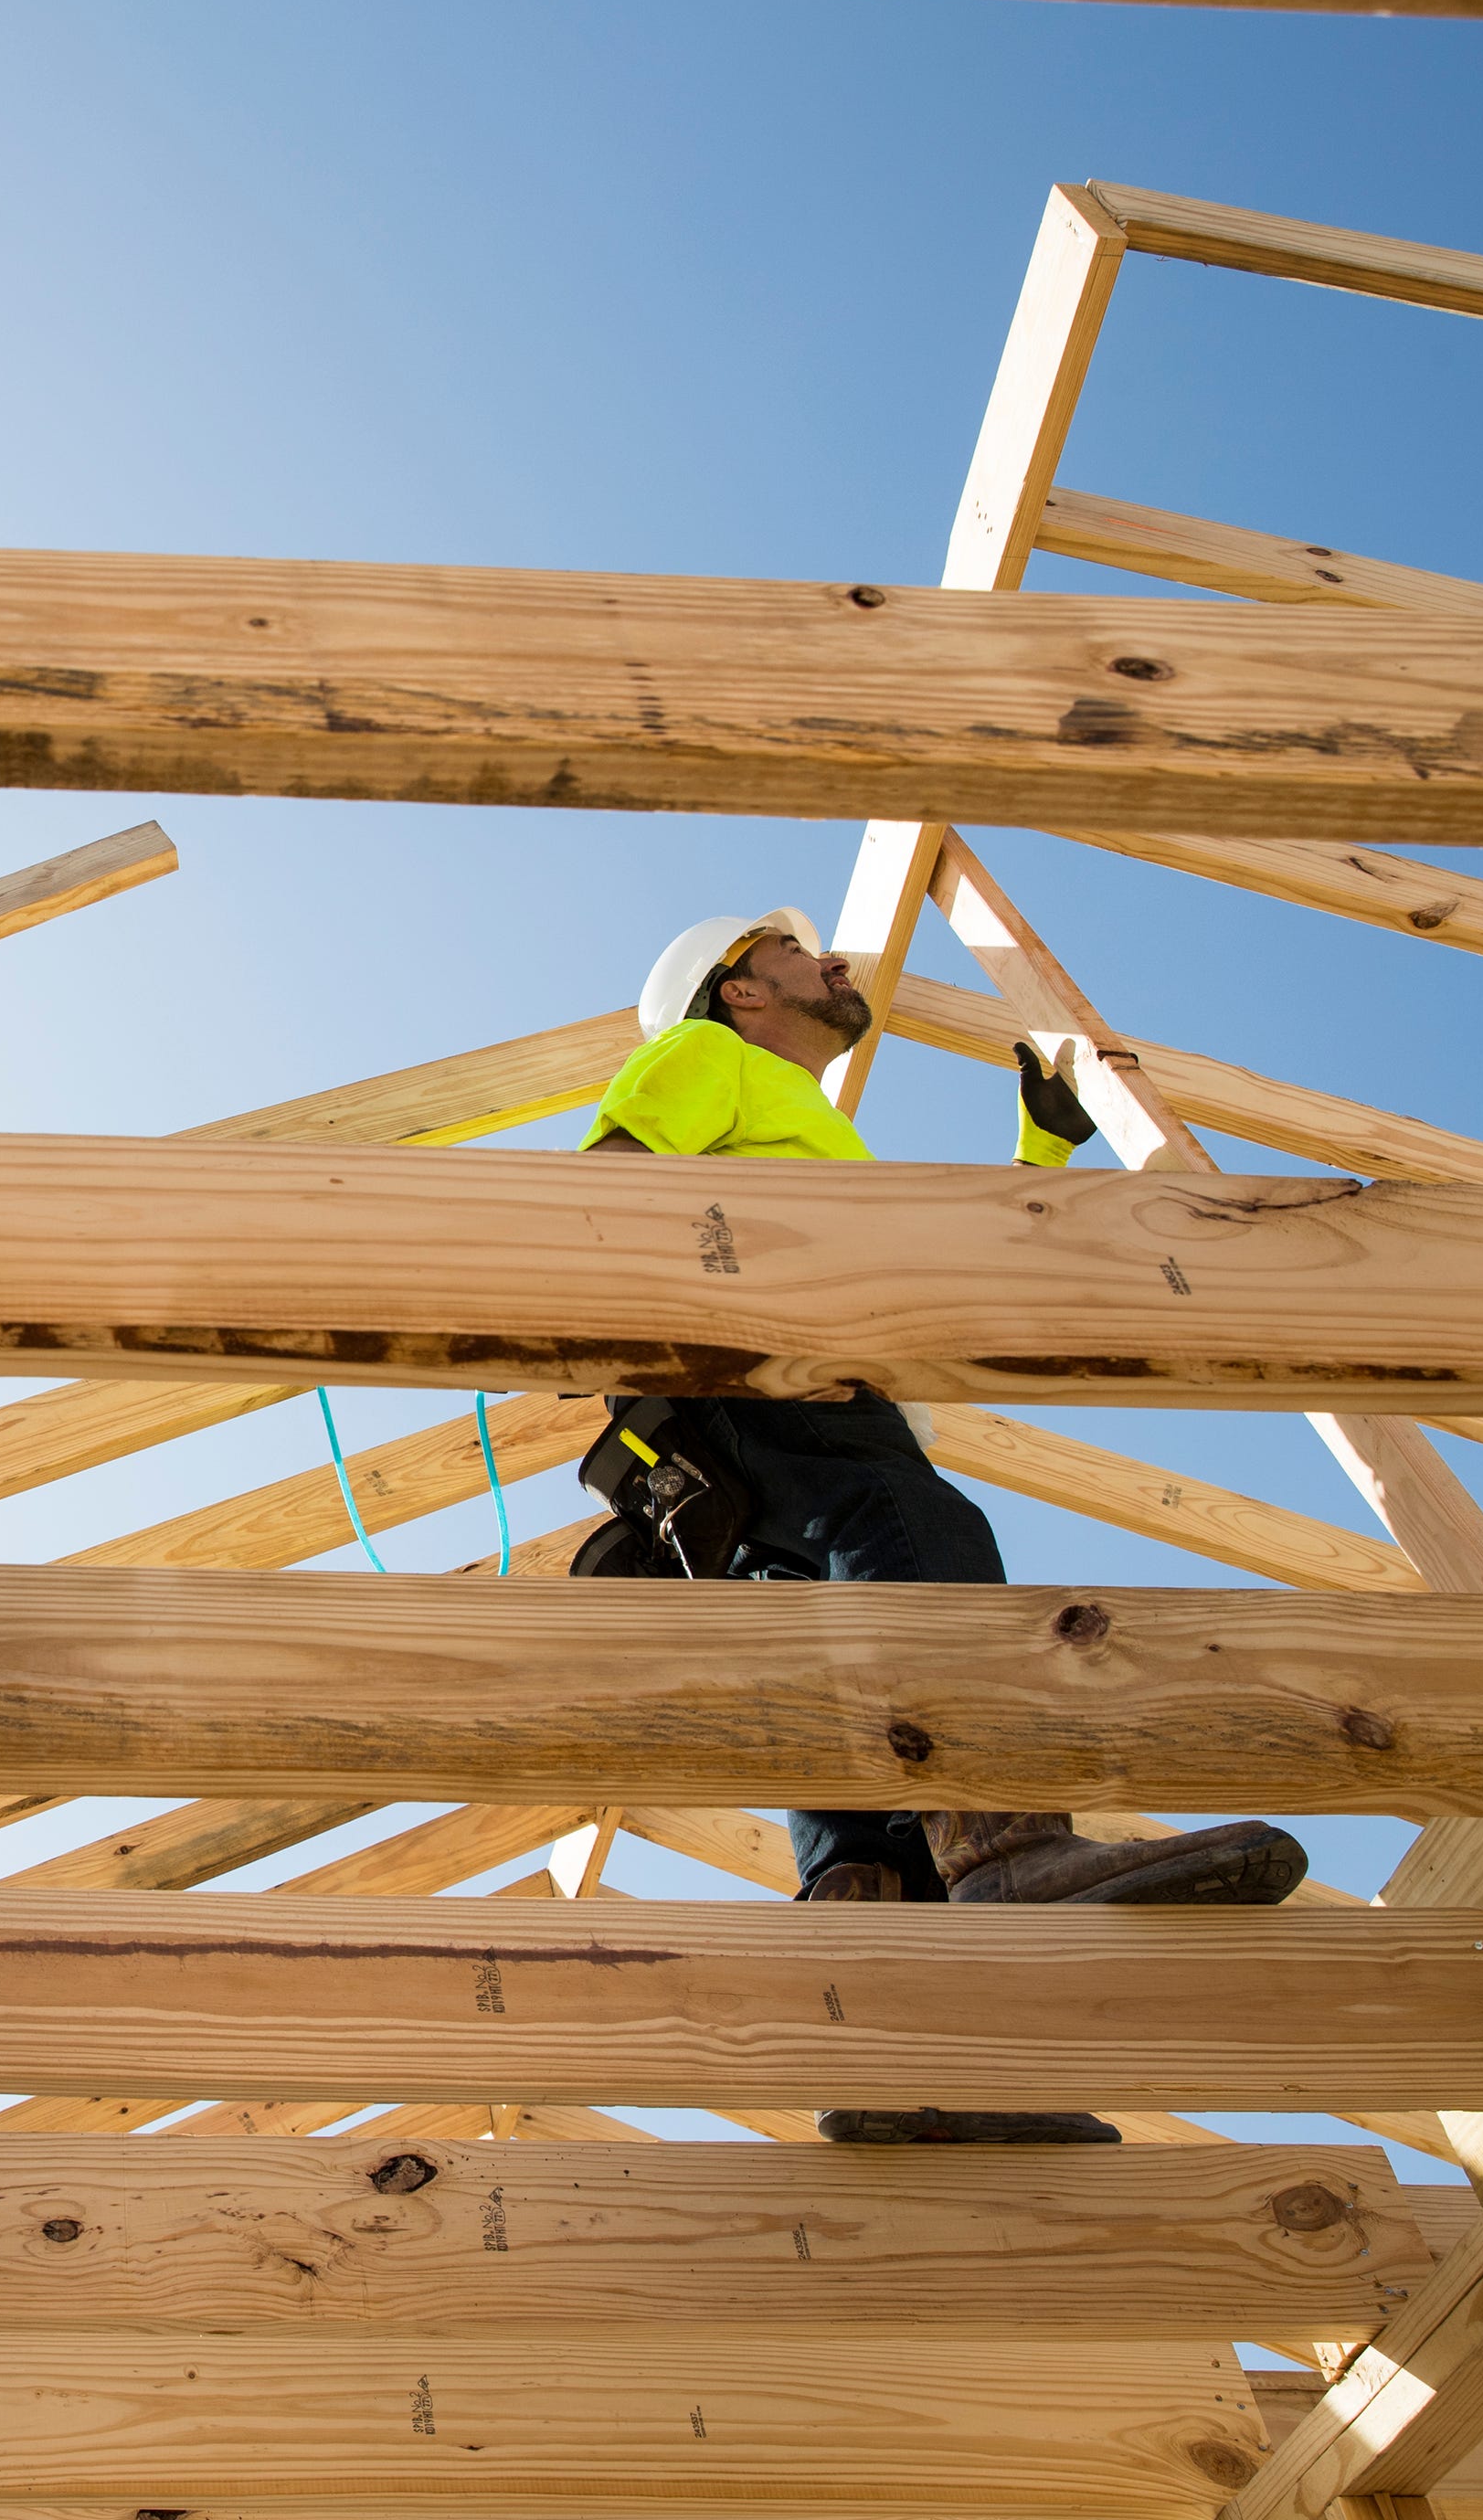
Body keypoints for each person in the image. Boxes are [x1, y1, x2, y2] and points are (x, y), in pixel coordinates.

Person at [580, 906, 1308, 2146]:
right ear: (740, 994)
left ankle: (896, 2044)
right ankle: (1009, 1851)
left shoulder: (800, 1123)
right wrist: (724, 1344)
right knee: (914, 1533)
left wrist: (1039, 1154)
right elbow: (604, 1198)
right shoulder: (707, 1059)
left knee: (840, 1702)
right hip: (752, 1380)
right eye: (796, 955)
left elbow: (926, 1262)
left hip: (738, 1424)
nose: (837, 963)